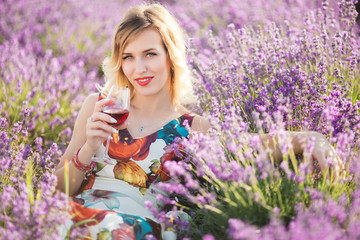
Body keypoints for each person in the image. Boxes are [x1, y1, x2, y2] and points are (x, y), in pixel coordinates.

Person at [54, 3, 344, 239]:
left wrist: (308, 137)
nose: (138, 68)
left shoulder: (192, 126)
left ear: (171, 56)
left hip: (134, 227)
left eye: (150, 54)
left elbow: (247, 145)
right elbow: (57, 191)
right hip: (80, 212)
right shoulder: (98, 106)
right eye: (128, 57)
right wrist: (89, 147)